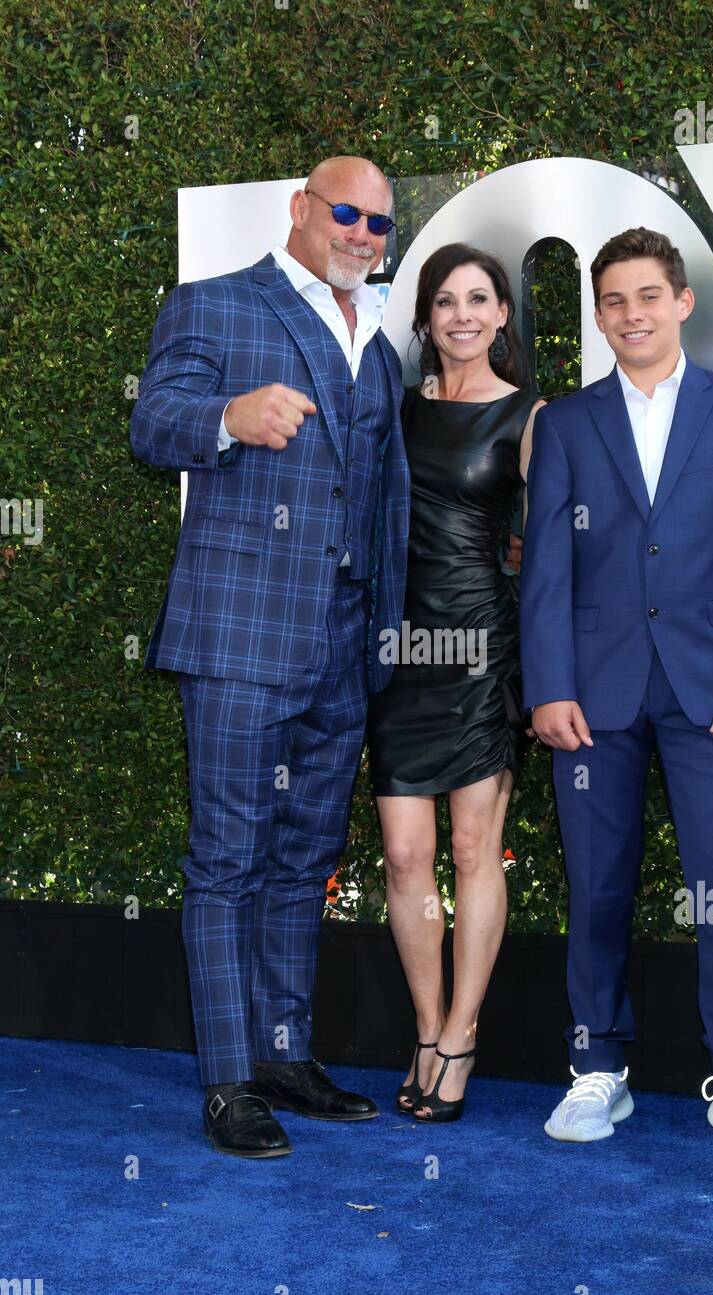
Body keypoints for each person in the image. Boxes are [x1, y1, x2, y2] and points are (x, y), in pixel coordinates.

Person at [130, 156, 411, 1158]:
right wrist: (226, 419)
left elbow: (384, 495)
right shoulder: (214, 306)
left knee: (302, 862)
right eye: (346, 213)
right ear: (300, 210)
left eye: (379, 223)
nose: (362, 235)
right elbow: (151, 423)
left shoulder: (372, 338)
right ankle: (227, 1082)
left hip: (340, 649)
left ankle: (285, 1055)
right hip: (243, 639)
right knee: (228, 862)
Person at [520, 226, 713, 1157]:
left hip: (710, 689)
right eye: (613, 301)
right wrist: (549, 684)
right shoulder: (564, 423)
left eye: (647, 296)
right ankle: (598, 1064)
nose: (630, 314)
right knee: (596, 885)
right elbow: (547, 568)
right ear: (597, 316)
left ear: (682, 302)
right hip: (592, 696)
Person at [366, 243, 545, 1123]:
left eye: (480, 299)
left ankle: (463, 1035)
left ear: (503, 315)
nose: (463, 315)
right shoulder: (394, 412)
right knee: (405, 855)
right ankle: (426, 1027)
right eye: (446, 302)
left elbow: (556, 553)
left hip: (479, 652)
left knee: (475, 851)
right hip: (401, 651)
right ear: (426, 319)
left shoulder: (531, 418)